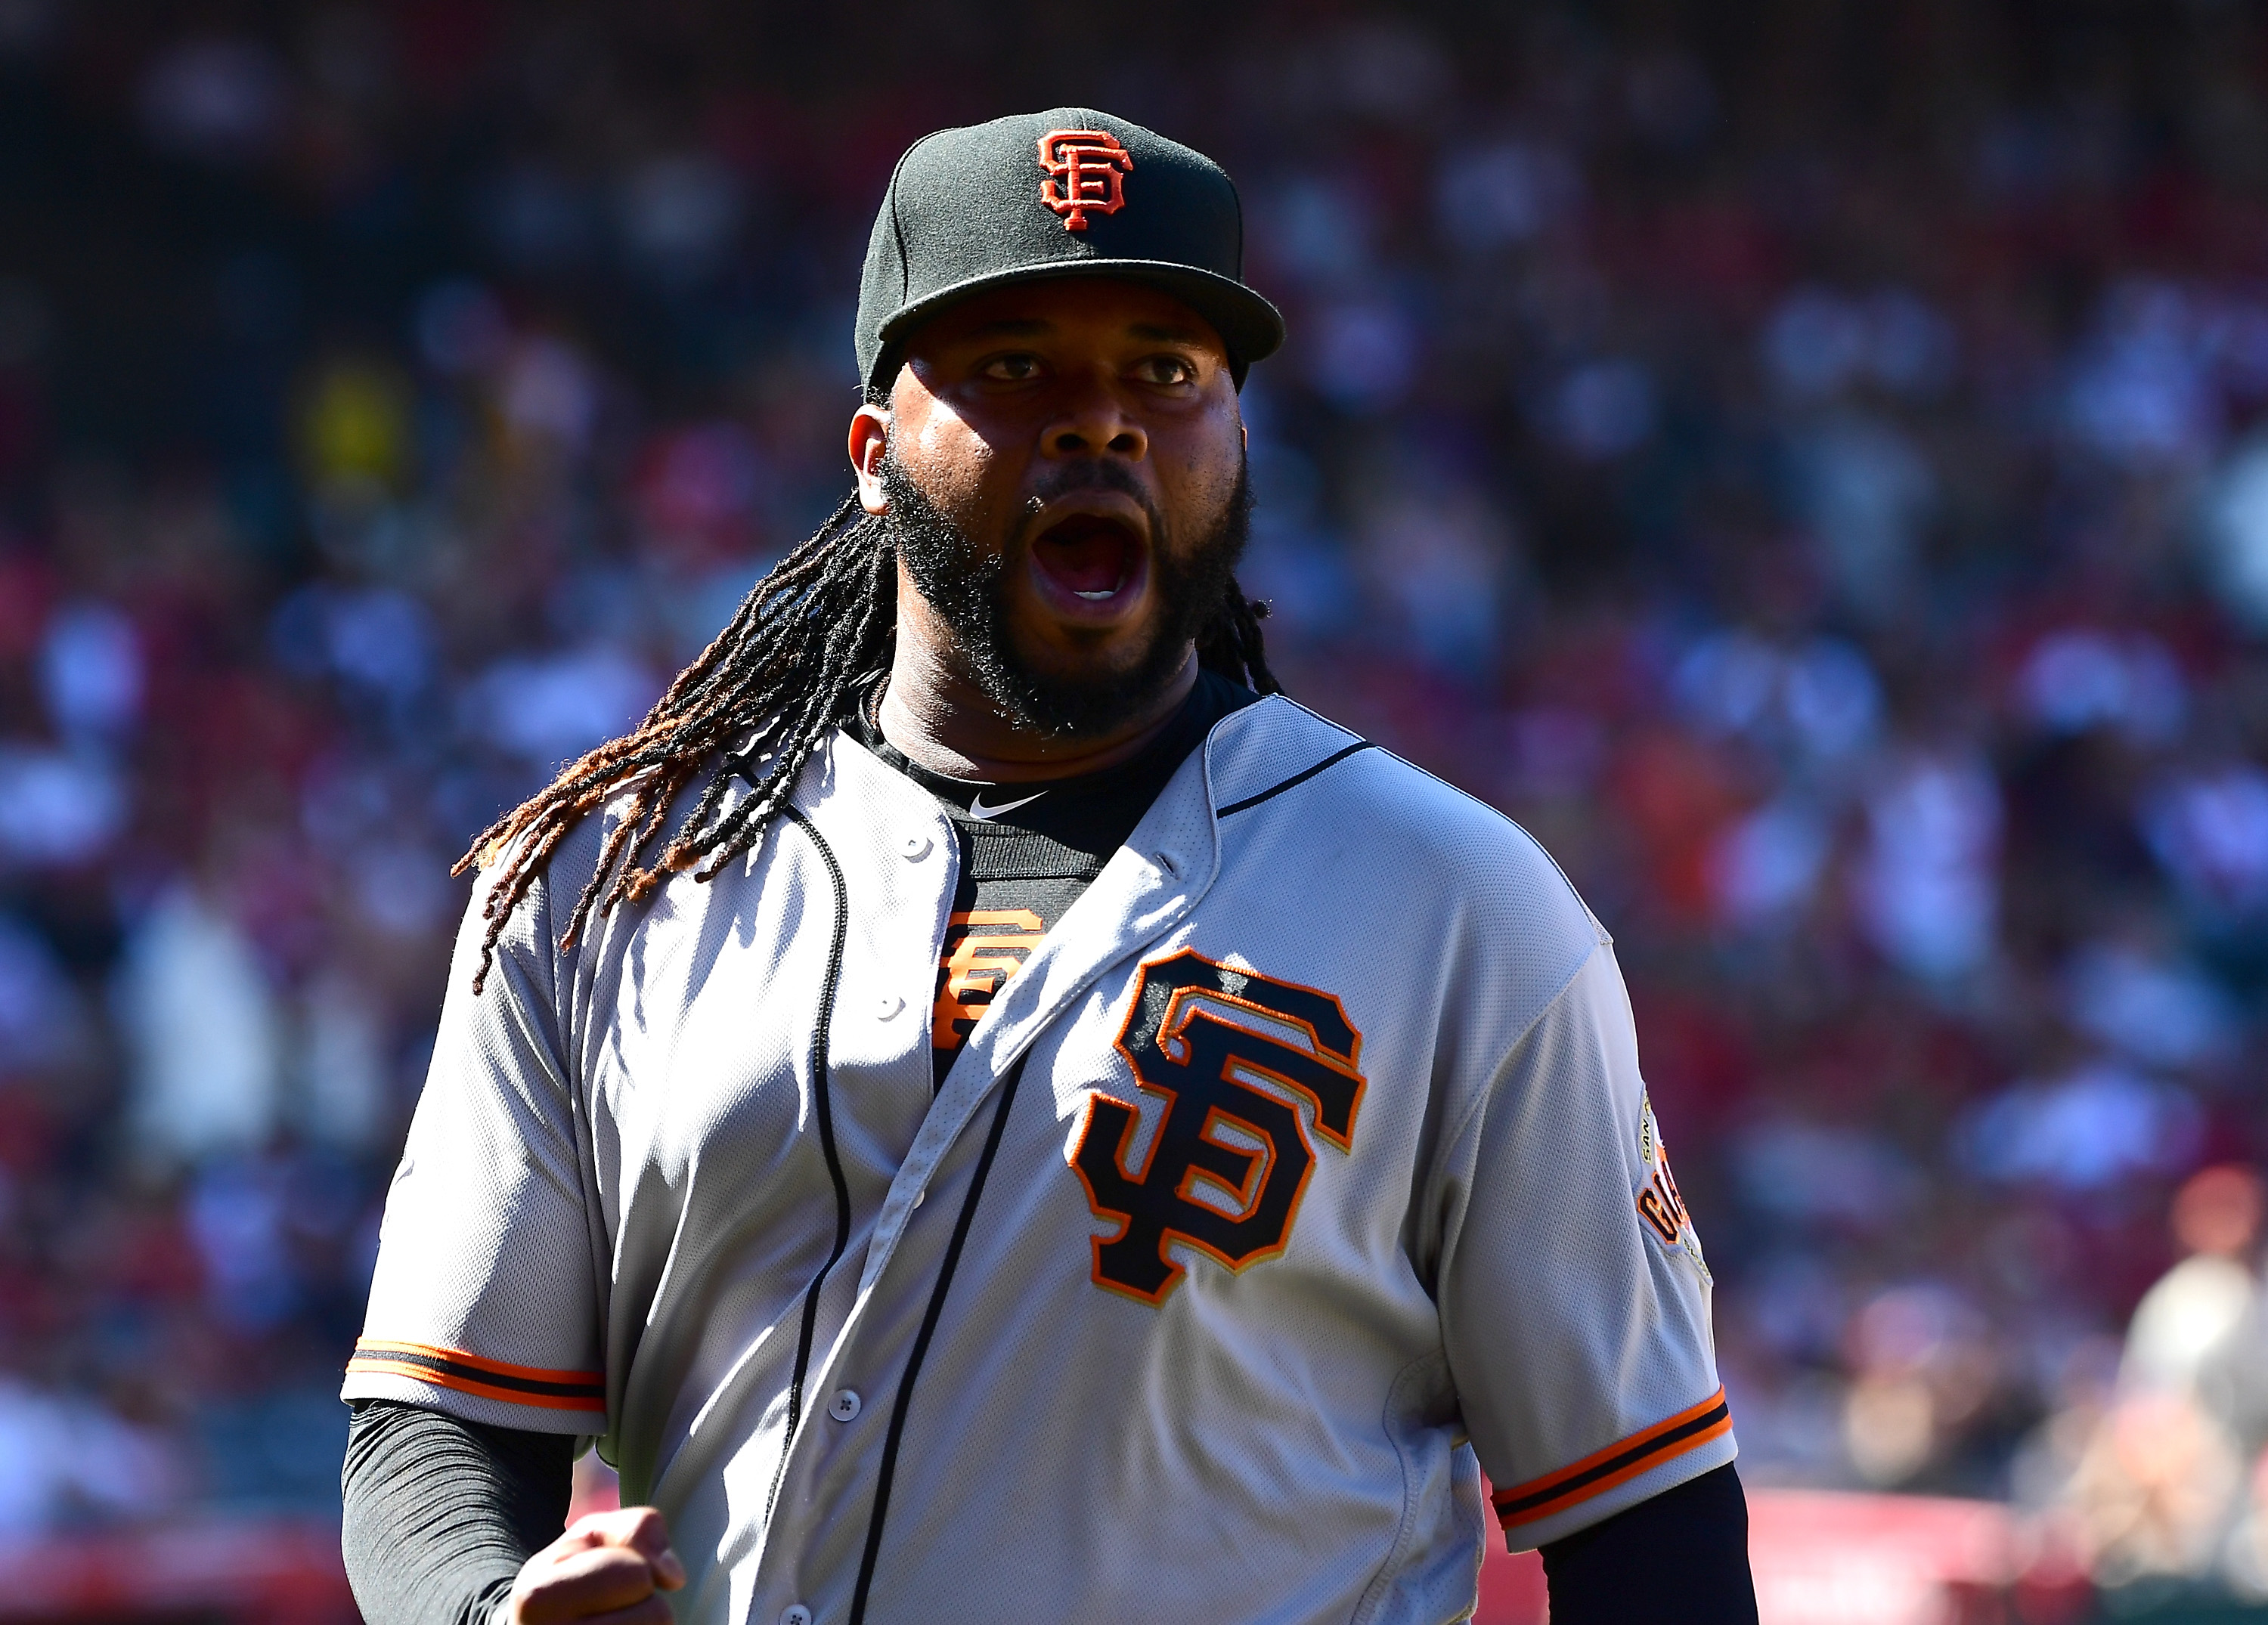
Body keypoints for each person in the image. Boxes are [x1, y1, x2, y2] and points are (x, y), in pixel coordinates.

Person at [338, 108, 1758, 1625]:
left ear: (1236, 437)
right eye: (1016, 367)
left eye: (1166, 369)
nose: (1102, 421)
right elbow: (437, 1424)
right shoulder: (612, 882)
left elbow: (1648, 1516)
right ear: (873, 456)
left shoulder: (1460, 911)